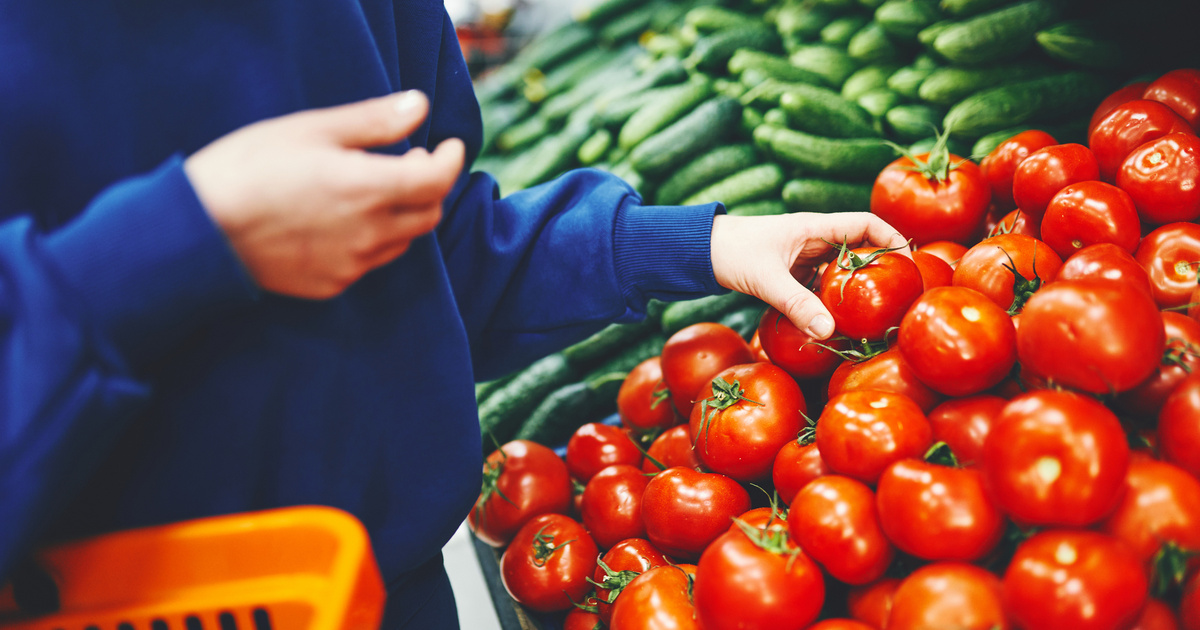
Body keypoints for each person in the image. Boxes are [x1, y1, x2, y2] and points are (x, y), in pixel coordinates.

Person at [0, 1, 905, 627]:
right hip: (116, 606)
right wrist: (187, 241)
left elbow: (422, 257)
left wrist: (688, 247)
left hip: (393, 594)